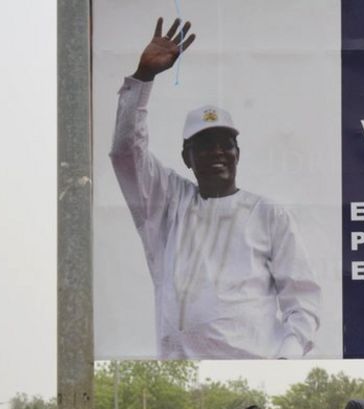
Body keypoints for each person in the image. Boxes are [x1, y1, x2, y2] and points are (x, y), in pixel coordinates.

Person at [110, 17, 321, 359]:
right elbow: (125, 152)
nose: (217, 152)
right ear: (186, 157)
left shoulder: (268, 214)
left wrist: (288, 356)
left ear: (238, 153)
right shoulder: (167, 204)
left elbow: (303, 298)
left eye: (225, 143)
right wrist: (143, 77)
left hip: (255, 364)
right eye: (204, 145)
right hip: (182, 371)